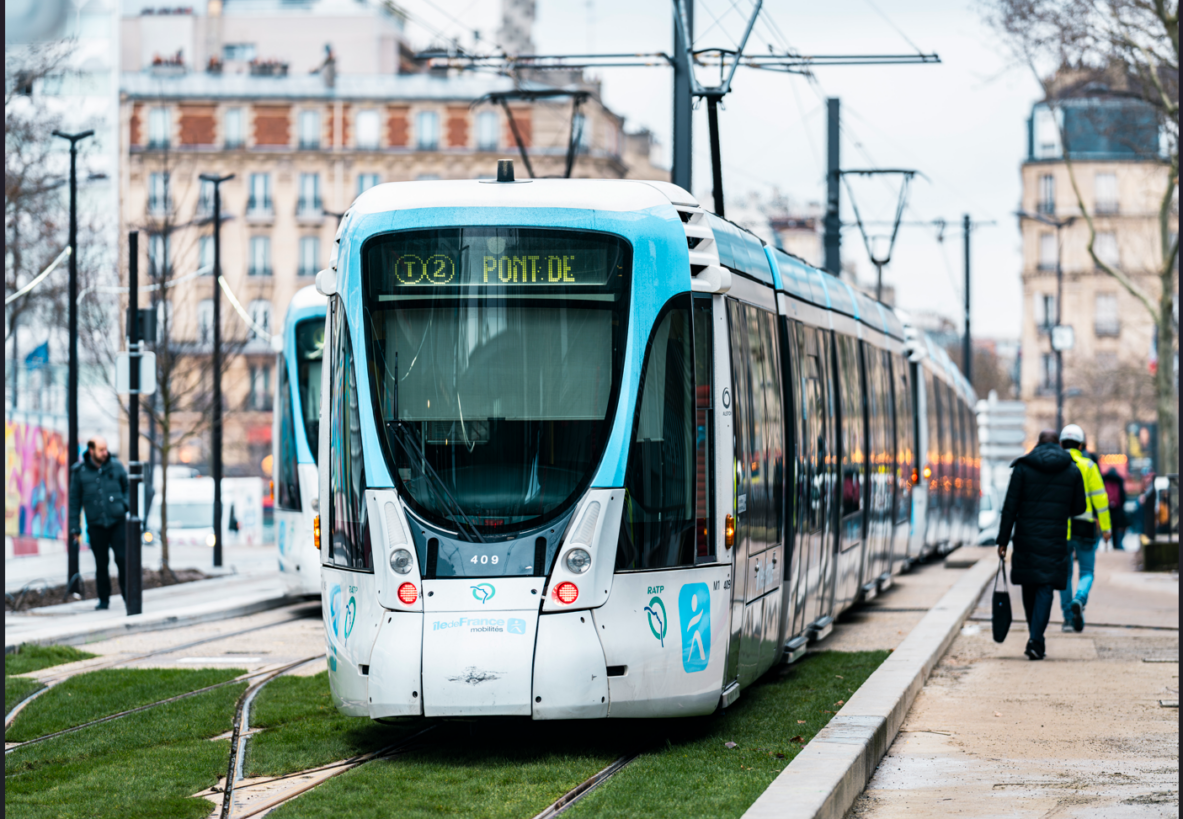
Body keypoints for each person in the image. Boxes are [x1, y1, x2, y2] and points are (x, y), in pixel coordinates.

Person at [996, 429, 1086, 660]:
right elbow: (1079, 508)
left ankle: (1036, 638)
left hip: (1026, 537)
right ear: (1058, 445)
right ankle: (1036, 639)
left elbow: (1010, 507)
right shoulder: (1072, 470)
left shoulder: (1023, 468)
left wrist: (1003, 540)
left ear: (1038, 444)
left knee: (1029, 585)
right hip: (1055, 538)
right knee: (1046, 587)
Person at [67, 436, 129, 610]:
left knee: (122, 559)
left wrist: (124, 505)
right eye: (101, 450)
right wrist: (75, 527)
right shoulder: (80, 472)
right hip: (96, 524)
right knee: (101, 564)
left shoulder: (116, 466)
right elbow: (74, 501)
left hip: (117, 522)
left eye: (106, 449)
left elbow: (128, 487)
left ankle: (128, 596)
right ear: (91, 450)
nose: (105, 453)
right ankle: (104, 600)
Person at [1059, 424, 1111, 632]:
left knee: (1064, 574)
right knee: (1087, 571)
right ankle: (1080, 598)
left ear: (1061, 444)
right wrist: (1106, 528)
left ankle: (1068, 619)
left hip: (1061, 529)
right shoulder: (1089, 466)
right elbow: (1101, 499)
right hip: (1085, 527)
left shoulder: (1057, 465)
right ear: (1081, 445)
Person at [1103, 468, 1128, 551]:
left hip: (1107, 509)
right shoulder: (1119, 481)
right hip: (1117, 509)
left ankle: (1107, 544)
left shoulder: (1104, 480)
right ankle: (1117, 544)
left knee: (1108, 527)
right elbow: (1123, 496)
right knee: (1117, 527)